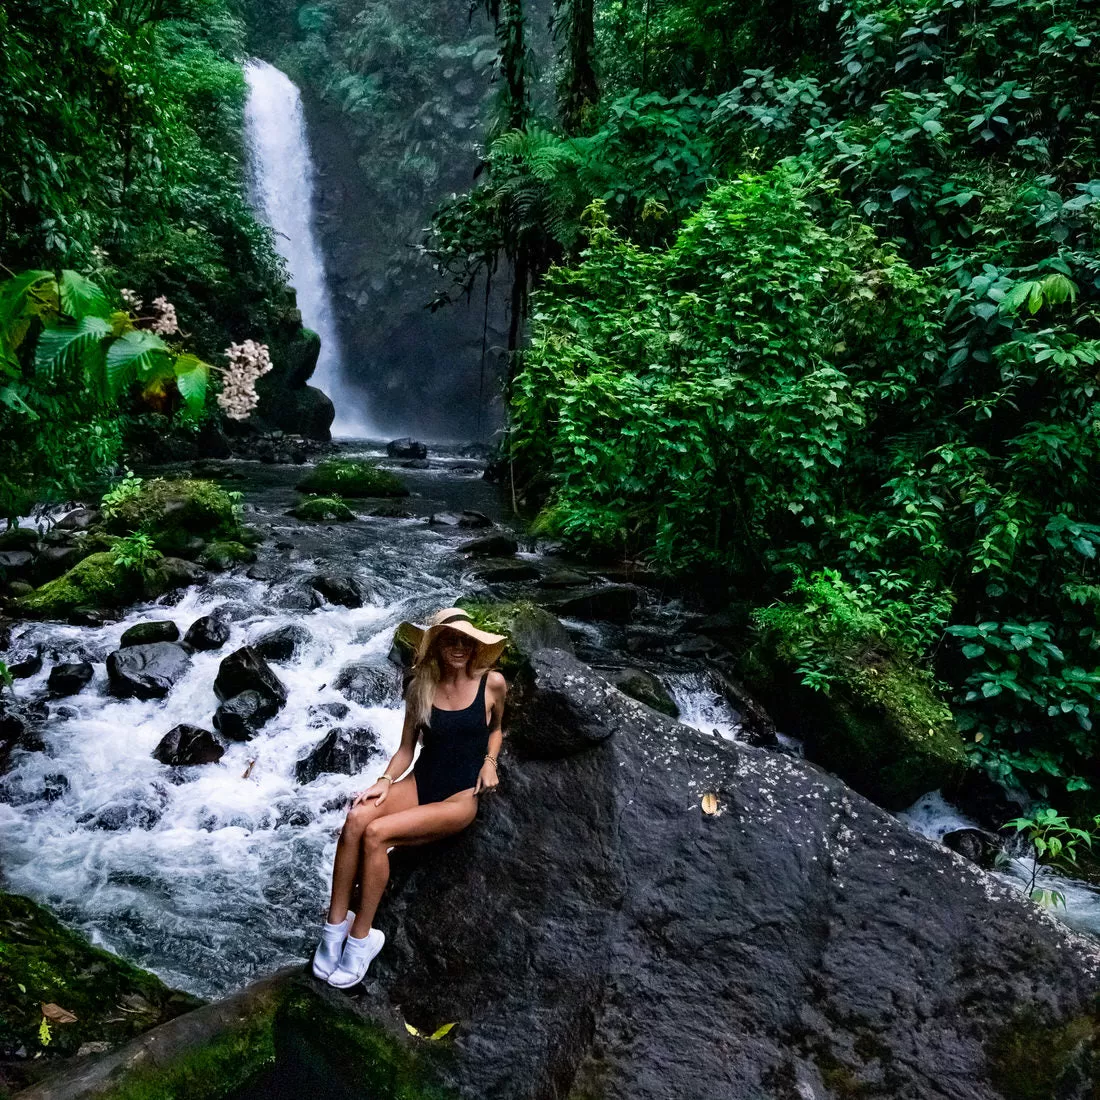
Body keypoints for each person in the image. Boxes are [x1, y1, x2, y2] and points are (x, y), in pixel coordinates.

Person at [311, 607, 508, 987]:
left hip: (458, 798)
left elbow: (497, 728)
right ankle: (334, 928)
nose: (458, 647)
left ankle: (361, 939)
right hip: (420, 782)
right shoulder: (421, 686)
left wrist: (489, 762)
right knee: (356, 818)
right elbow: (406, 749)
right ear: (435, 646)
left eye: (465, 641)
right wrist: (385, 780)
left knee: (377, 834)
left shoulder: (493, 683)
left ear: (474, 646)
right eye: (450, 640)